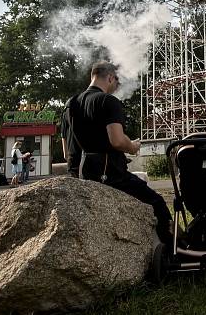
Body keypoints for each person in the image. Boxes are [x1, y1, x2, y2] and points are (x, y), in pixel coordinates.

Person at [62, 60, 174, 246]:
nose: (115, 87)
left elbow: (66, 150)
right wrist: (133, 146)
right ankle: (173, 248)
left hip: (77, 175)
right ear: (110, 77)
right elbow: (117, 140)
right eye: (116, 82)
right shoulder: (108, 101)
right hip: (109, 176)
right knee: (157, 203)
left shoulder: (70, 105)